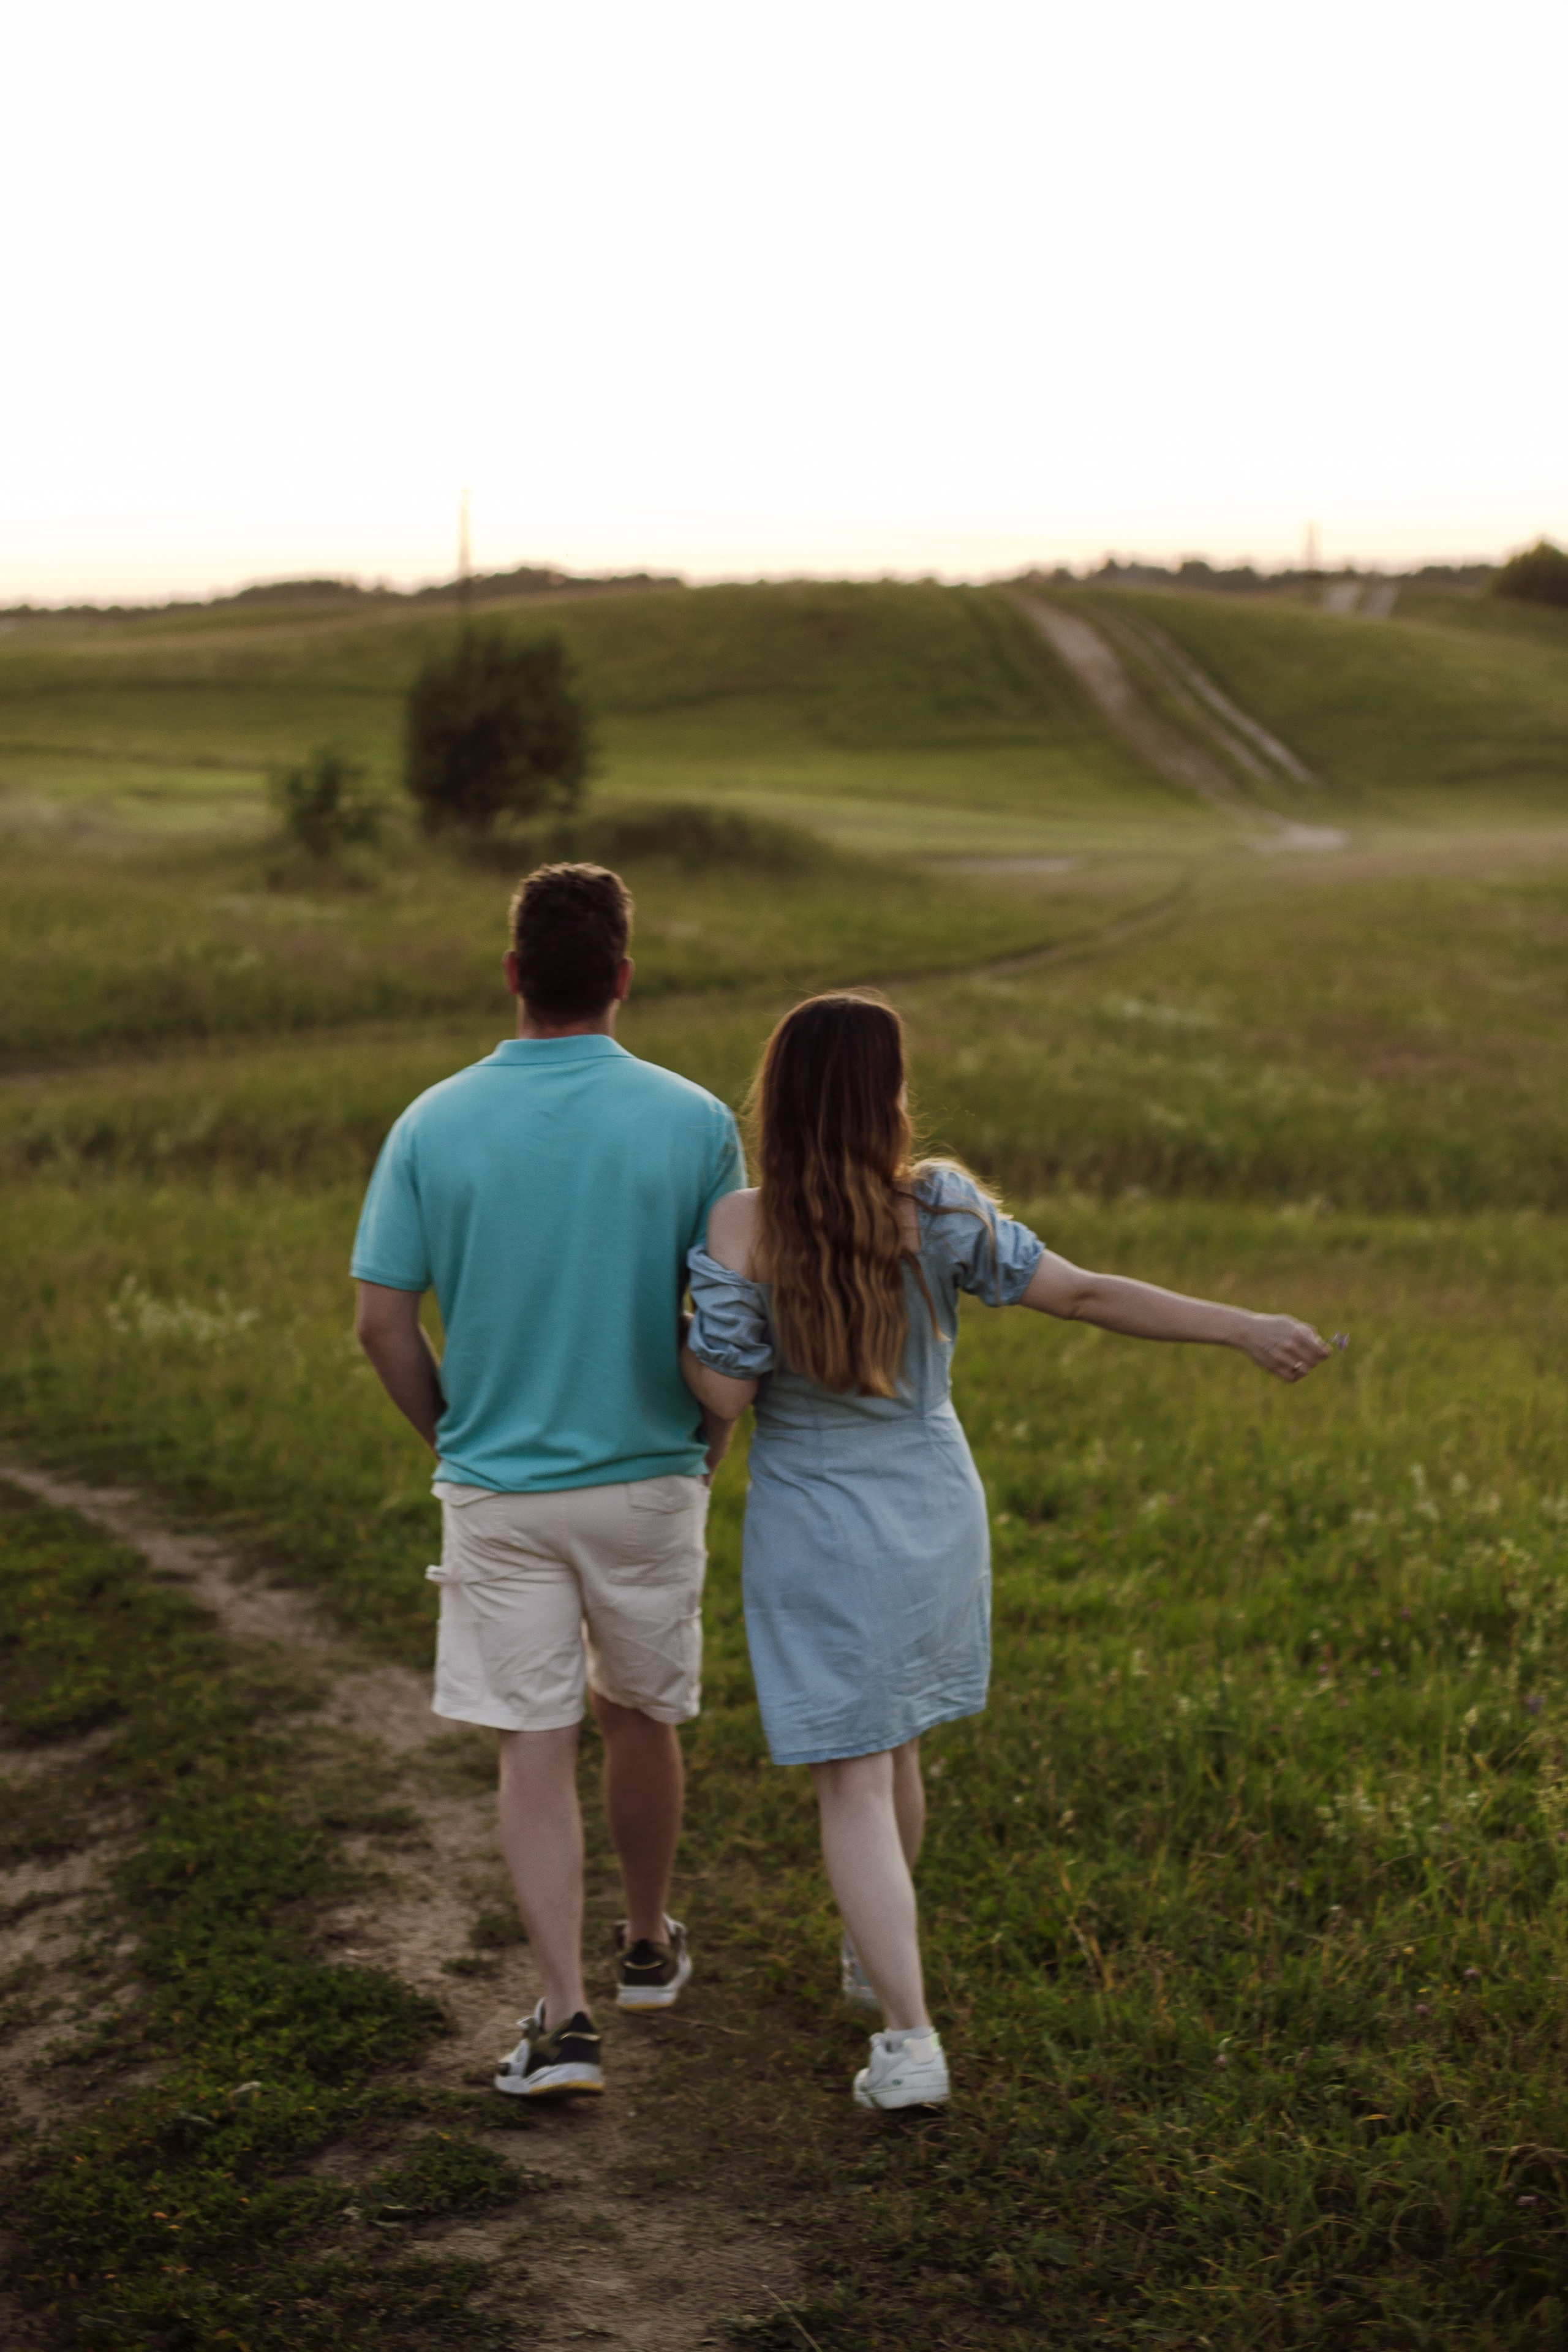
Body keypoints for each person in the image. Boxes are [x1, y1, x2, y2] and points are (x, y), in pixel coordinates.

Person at [680, 992, 1330, 2113]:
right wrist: (1244, 1326)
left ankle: (908, 2036)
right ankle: (874, 1953)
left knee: (853, 1774)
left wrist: (692, 1322)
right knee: (900, 1750)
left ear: (779, 1096)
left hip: (820, 1519)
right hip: (934, 1504)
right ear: (884, 1097)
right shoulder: (937, 1207)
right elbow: (1083, 1295)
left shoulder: (744, 1224)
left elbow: (725, 1391)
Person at [352, 863, 744, 2100]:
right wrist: (703, 1450)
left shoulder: (431, 1120)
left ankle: (565, 2018)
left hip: (498, 1486)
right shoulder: (695, 1121)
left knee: (534, 1740)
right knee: (640, 1712)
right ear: (623, 979)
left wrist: (453, 1436)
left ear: (513, 973)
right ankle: (643, 1944)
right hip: (648, 1476)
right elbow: (726, 1323)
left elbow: (381, 1323)